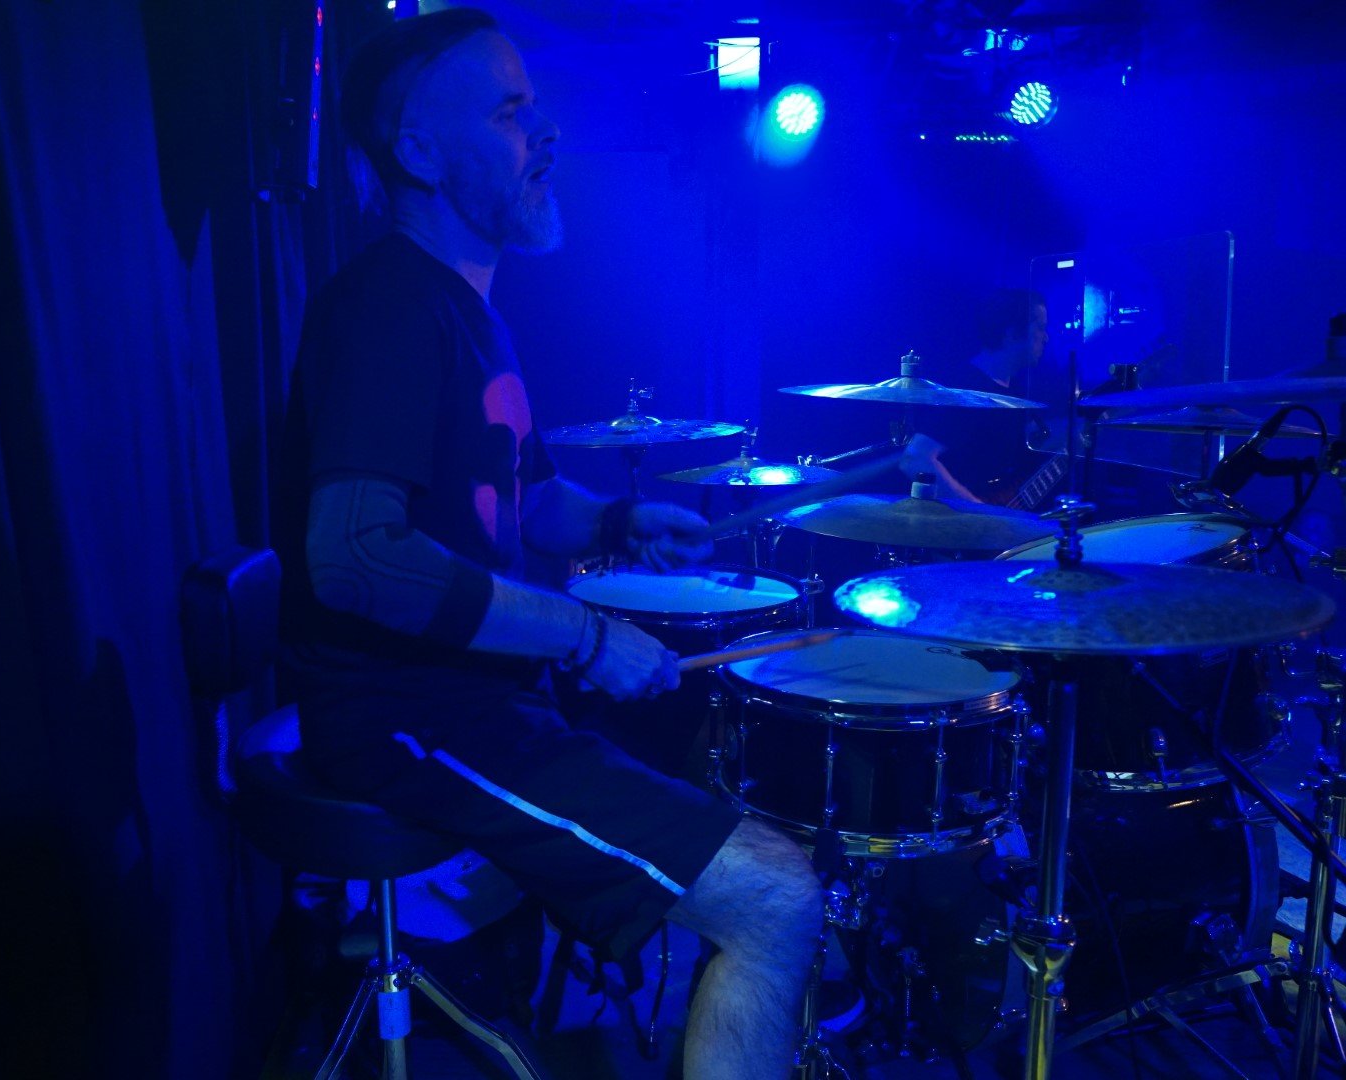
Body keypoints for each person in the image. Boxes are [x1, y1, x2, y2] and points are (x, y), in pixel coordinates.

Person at [273, 10, 823, 1078]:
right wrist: (583, 635)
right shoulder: (387, 308)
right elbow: (355, 556)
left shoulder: (471, 310)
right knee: (774, 898)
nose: (545, 132)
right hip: (411, 717)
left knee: (732, 822)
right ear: (419, 150)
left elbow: (524, 506)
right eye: (508, 112)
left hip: (480, 700)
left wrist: (617, 522)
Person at [901, 287, 1051, 505]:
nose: (1046, 338)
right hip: (959, 522)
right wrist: (979, 513)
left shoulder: (1015, 390)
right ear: (1011, 334)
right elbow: (915, 458)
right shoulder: (966, 389)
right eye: (1040, 328)